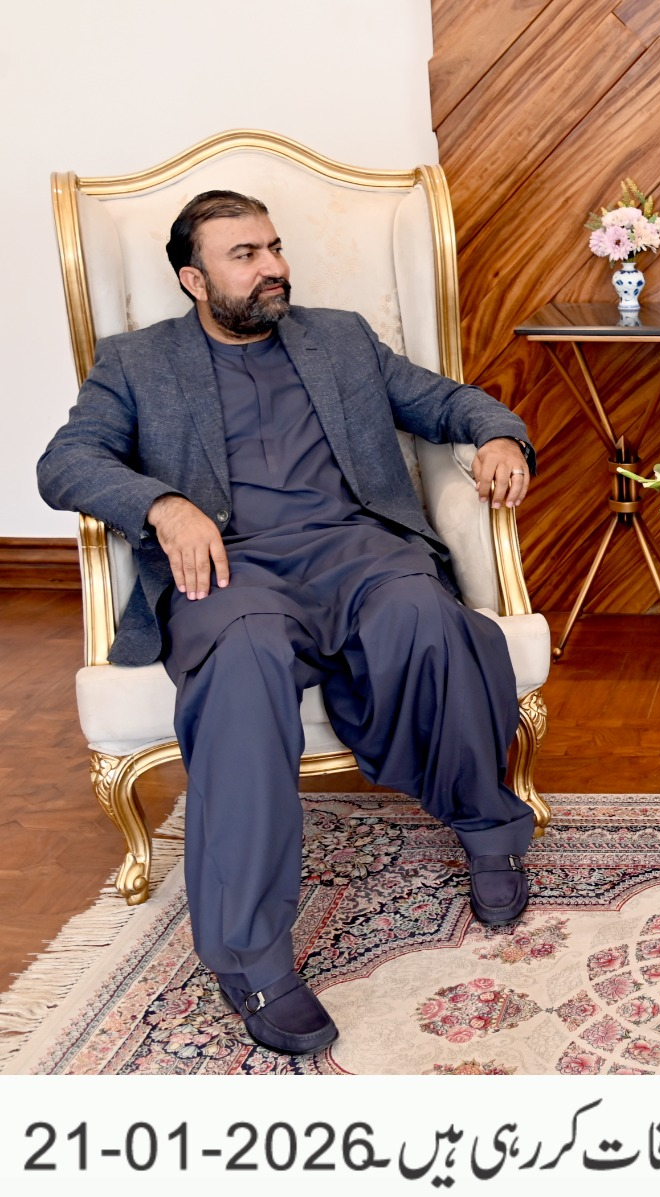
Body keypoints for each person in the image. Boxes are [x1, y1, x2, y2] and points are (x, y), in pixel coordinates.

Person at [38, 191, 540, 1055]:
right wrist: (162, 505)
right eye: (245, 255)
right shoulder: (136, 361)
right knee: (243, 665)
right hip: (230, 570)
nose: (273, 267)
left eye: (273, 247)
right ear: (194, 279)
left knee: (431, 618)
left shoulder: (339, 337)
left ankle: (488, 829)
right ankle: (252, 957)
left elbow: (445, 402)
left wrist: (499, 436)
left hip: (357, 550)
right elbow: (66, 461)